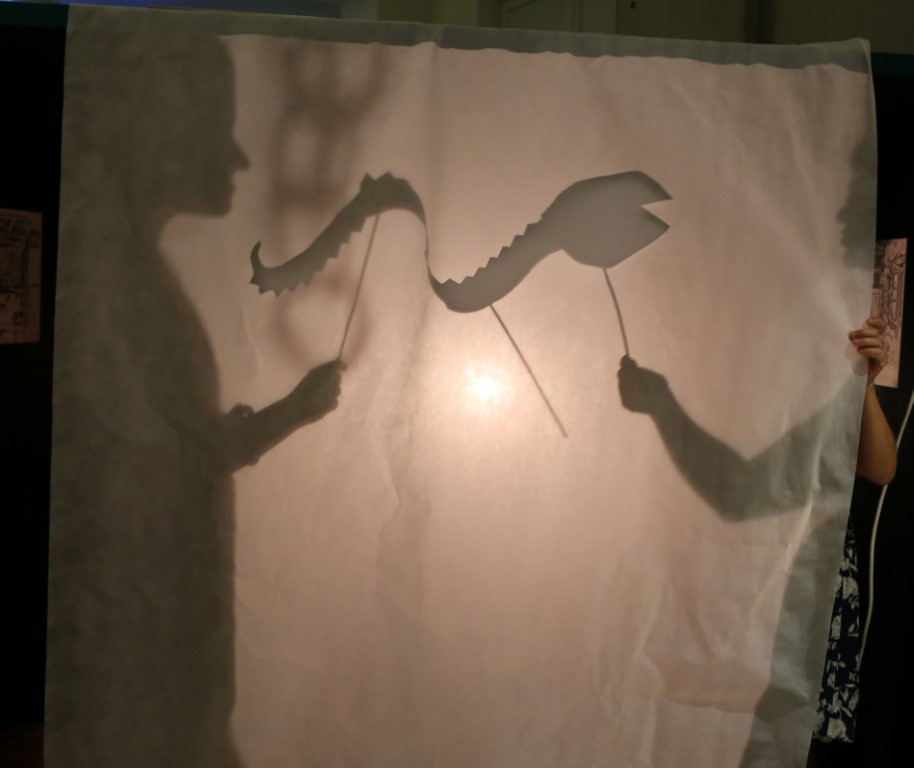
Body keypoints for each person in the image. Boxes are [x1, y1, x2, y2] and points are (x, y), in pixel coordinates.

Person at [806, 316, 897, 767]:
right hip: (732, 558)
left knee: (796, 724)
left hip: (815, 563)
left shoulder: (822, 360)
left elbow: (881, 469)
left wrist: (863, 383)